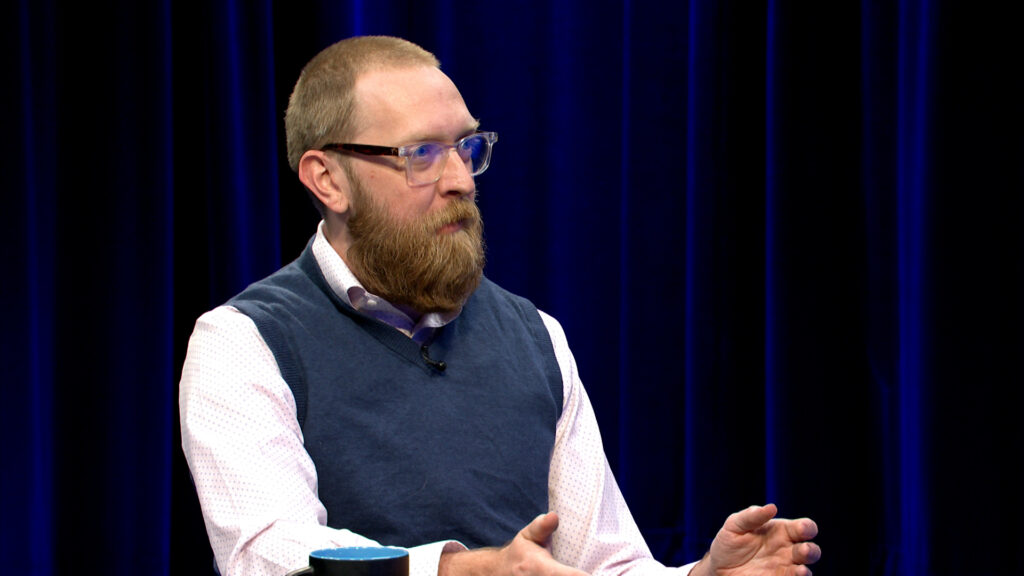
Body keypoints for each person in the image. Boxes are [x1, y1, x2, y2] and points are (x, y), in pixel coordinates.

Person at [179, 35, 821, 576]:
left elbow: (603, 564)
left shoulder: (536, 336)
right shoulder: (244, 341)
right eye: (420, 154)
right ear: (327, 179)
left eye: (466, 146)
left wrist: (704, 575)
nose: (460, 179)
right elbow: (269, 553)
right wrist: (460, 569)